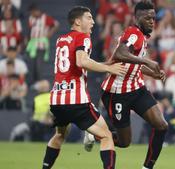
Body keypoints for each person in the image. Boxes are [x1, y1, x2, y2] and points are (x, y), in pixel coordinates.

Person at [84, 1, 168, 169]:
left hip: (137, 89)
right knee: (124, 142)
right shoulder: (133, 33)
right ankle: (94, 135)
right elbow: (120, 53)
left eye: (153, 18)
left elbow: (133, 64)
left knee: (161, 125)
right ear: (137, 18)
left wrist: (154, 73)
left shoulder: (143, 36)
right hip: (117, 93)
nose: (152, 21)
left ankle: (147, 167)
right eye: (148, 18)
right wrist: (148, 61)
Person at [41, 6, 126, 169]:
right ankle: (91, 137)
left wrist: (103, 64)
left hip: (57, 100)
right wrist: (109, 68)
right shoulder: (83, 37)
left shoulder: (61, 39)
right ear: (78, 21)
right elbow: (82, 61)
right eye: (89, 18)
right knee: (107, 136)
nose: (93, 22)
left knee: (59, 135)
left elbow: (76, 62)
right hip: (76, 100)